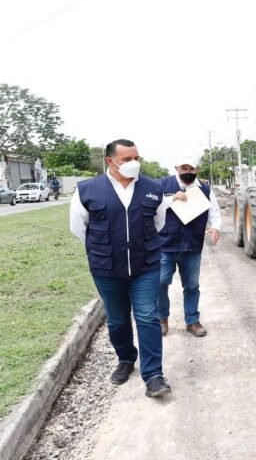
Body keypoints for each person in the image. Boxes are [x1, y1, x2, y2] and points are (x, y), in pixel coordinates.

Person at [69, 139, 172, 398]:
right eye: (126, 159)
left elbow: (158, 223)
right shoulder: (87, 190)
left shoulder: (153, 189)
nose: (133, 163)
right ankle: (126, 358)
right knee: (117, 320)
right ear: (110, 161)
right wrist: (107, 249)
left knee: (148, 317)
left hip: (145, 266)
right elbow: (80, 229)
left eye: (135, 157)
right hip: (106, 268)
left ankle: (154, 375)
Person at [157, 156, 221, 337]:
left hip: (192, 245)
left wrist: (215, 227)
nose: (187, 171)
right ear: (176, 167)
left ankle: (192, 321)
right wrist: (172, 199)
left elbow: (214, 212)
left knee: (192, 285)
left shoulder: (205, 189)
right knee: (161, 283)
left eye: (191, 169)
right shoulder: (162, 186)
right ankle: (162, 318)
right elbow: (152, 208)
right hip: (166, 245)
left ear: (197, 169)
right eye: (183, 168)